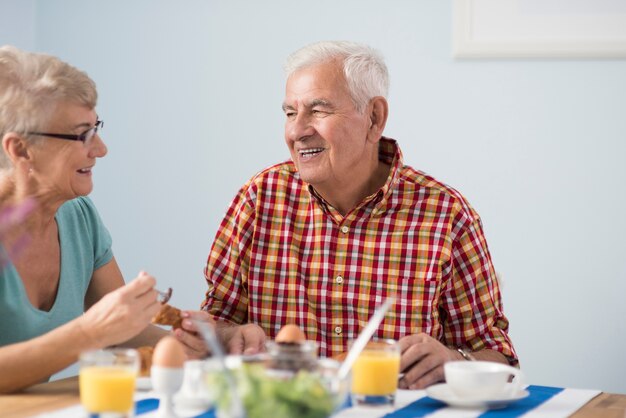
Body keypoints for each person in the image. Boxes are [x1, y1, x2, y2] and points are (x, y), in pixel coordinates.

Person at [196, 40, 518, 390]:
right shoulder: (259, 199)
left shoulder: (446, 216)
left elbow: (500, 359)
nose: (296, 131)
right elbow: (216, 322)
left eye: (318, 111)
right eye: (290, 113)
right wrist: (230, 337)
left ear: (374, 118)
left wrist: (457, 362)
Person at [0, 45, 190, 393]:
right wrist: (90, 333)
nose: (100, 148)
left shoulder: (78, 216)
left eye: (96, 127)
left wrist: (199, 344)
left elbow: (123, 332)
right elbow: (102, 330)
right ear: (21, 150)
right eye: (81, 134)